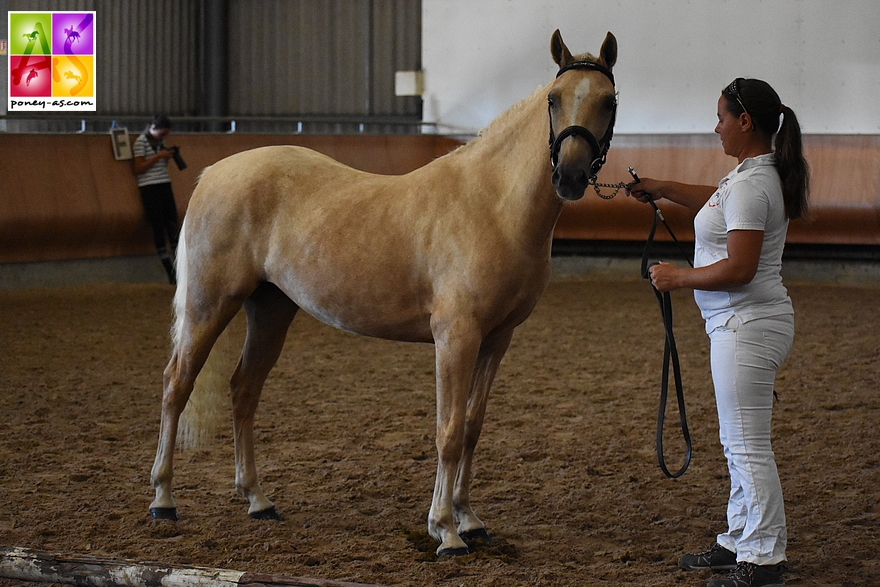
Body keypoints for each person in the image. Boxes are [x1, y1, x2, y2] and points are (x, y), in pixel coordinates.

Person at [628, 78, 809, 587]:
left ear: (745, 122)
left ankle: (765, 557)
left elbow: (741, 268)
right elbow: (717, 203)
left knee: (747, 445)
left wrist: (676, 278)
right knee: (739, 440)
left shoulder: (752, 183)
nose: (717, 127)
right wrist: (662, 187)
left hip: (745, 323)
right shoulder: (751, 175)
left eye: (722, 118)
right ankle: (739, 538)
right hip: (740, 323)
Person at [133, 114, 181, 285]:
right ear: (153, 128)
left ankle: (179, 267)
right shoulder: (141, 142)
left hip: (164, 184)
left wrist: (166, 157)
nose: (164, 137)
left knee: (173, 225)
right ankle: (169, 270)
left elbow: (159, 166)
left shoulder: (160, 143)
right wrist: (158, 156)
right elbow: (138, 168)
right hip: (149, 187)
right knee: (158, 227)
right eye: (162, 133)